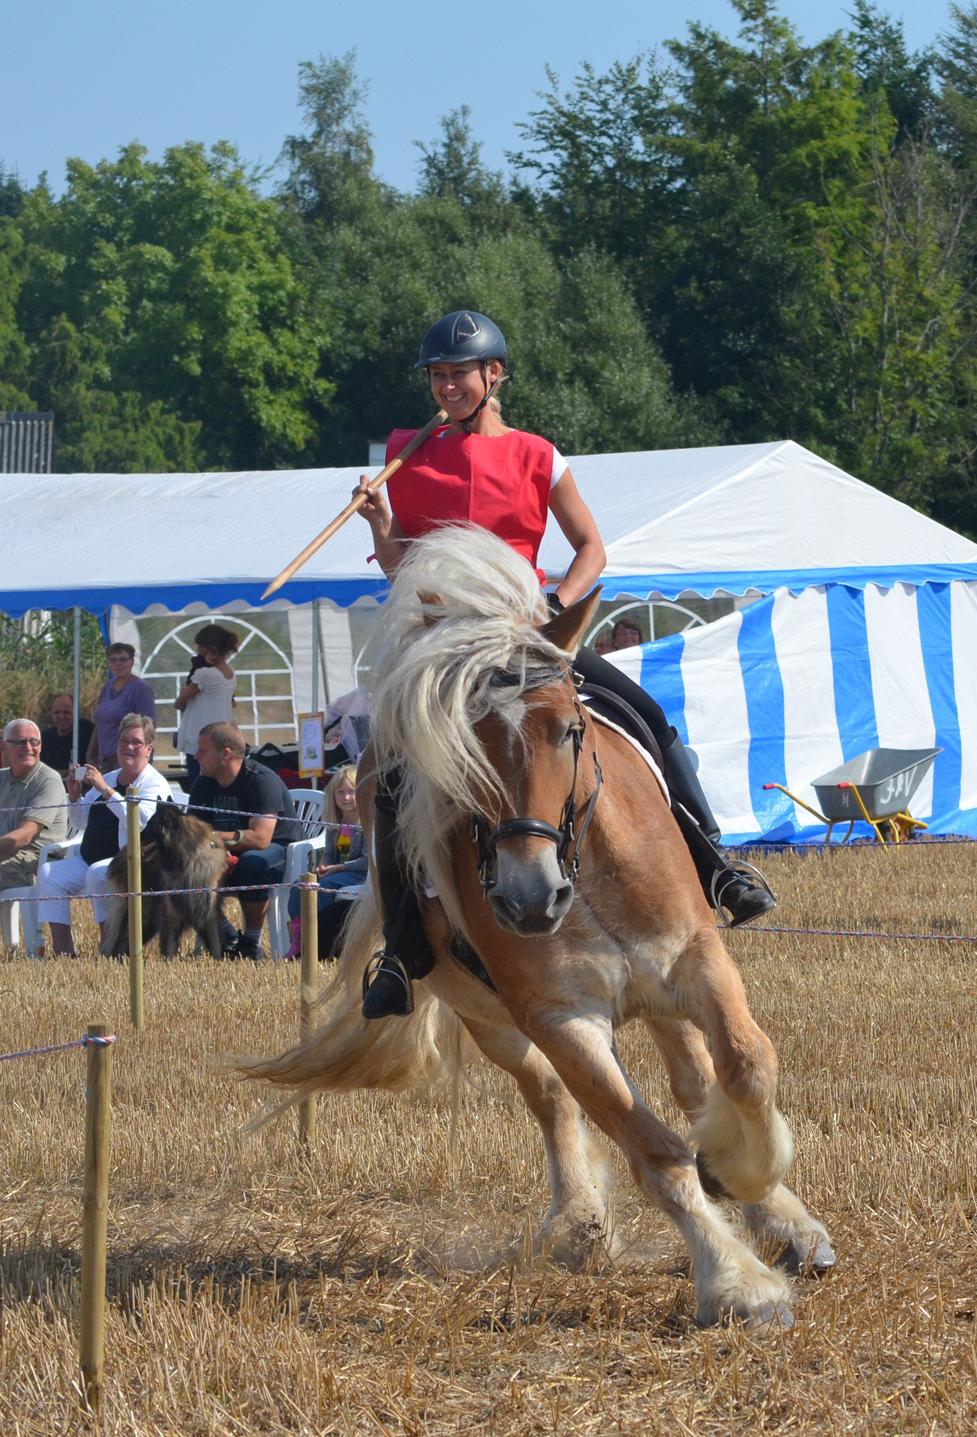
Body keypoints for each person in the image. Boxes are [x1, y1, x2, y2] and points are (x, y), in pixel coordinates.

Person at [353, 309, 775, 1019]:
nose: (446, 386)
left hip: (528, 629)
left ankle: (717, 865)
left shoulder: (539, 454)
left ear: (495, 375)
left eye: (459, 373)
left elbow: (591, 548)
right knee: (391, 768)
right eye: (436, 375)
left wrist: (558, 605)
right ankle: (399, 949)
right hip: (448, 645)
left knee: (645, 712)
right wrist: (381, 527)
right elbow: (404, 570)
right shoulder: (404, 454)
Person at [38, 714, 170, 956]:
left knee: (99, 872)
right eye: (123, 741)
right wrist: (74, 795)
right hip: (90, 858)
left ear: (149, 749)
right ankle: (63, 952)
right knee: (50, 874)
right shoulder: (109, 778)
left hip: (137, 862)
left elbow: (138, 821)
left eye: (136, 742)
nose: (128, 747)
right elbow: (79, 822)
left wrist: (106, 791)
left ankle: (111, 948)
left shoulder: (153, 783)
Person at [187, 720, 299, 959]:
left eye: (202, 750)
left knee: (252, 863)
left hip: (275, 851)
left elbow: (260, 838)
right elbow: (192, 834)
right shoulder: (203, 783)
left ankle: (251, 943)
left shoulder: (261, 780)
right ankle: (228, 937)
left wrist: (216, 841)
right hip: (226, 850)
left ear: (225, 754)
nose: (196, 756)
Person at [285, 765, 367, 958]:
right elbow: (330, 852)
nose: (346, 797)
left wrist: (339, 867)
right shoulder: (334, 824)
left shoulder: (364, 824)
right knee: (299, 885)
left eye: (351, 792)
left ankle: (318, 935)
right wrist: (324, 864)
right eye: (341, 792)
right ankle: (298, 935)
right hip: (337, 872)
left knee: (321, 889)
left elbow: (366, 861)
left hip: (358, 874)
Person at [0, 719, 69, 901]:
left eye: (34, 742)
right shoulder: (2, 778)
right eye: (21, 742)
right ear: (5, 746)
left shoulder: (48, 781)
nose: (28, 747)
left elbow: (26, 835)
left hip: (36, 861)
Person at [175, 624, 240, 781]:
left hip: (199, 739)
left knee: (198, 785)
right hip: (221, 737)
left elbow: (179, 702)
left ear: (210, 648)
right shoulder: (231, 674)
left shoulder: (204, 674)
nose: (198, 650)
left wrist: (197, 667)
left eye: (200, 647)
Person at [87, 644, 157, 770]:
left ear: (131, 662)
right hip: (105, 760)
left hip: (129, 759)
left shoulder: (140, 689)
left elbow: (149, 727)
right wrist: (91, 753)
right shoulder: (107, 688)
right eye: (113, 660)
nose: (118, 663)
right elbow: (99, 724)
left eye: (123, 659)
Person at [40, 694, 95, 776]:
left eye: (66, 713)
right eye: (57, 712)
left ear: (76, 713)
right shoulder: (45, 738)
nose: (61, 716)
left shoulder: (87, 730)